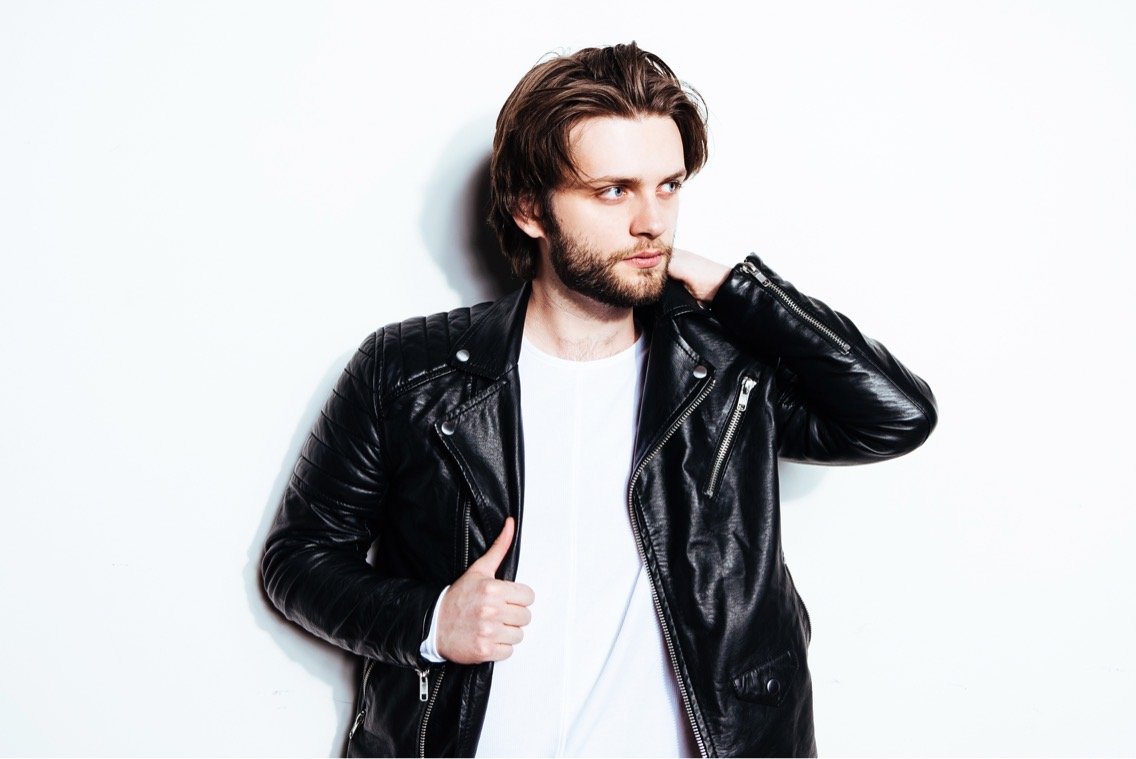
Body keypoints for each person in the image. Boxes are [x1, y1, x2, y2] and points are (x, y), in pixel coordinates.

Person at [261, 41, 936, 758]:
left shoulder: (724, 371)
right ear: (530, 208)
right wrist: (430, 619)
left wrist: (734, 287)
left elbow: (894, 414)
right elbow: (298, 559)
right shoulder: (408, 371)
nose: (652, 221)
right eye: (614, 190)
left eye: (668, 186)